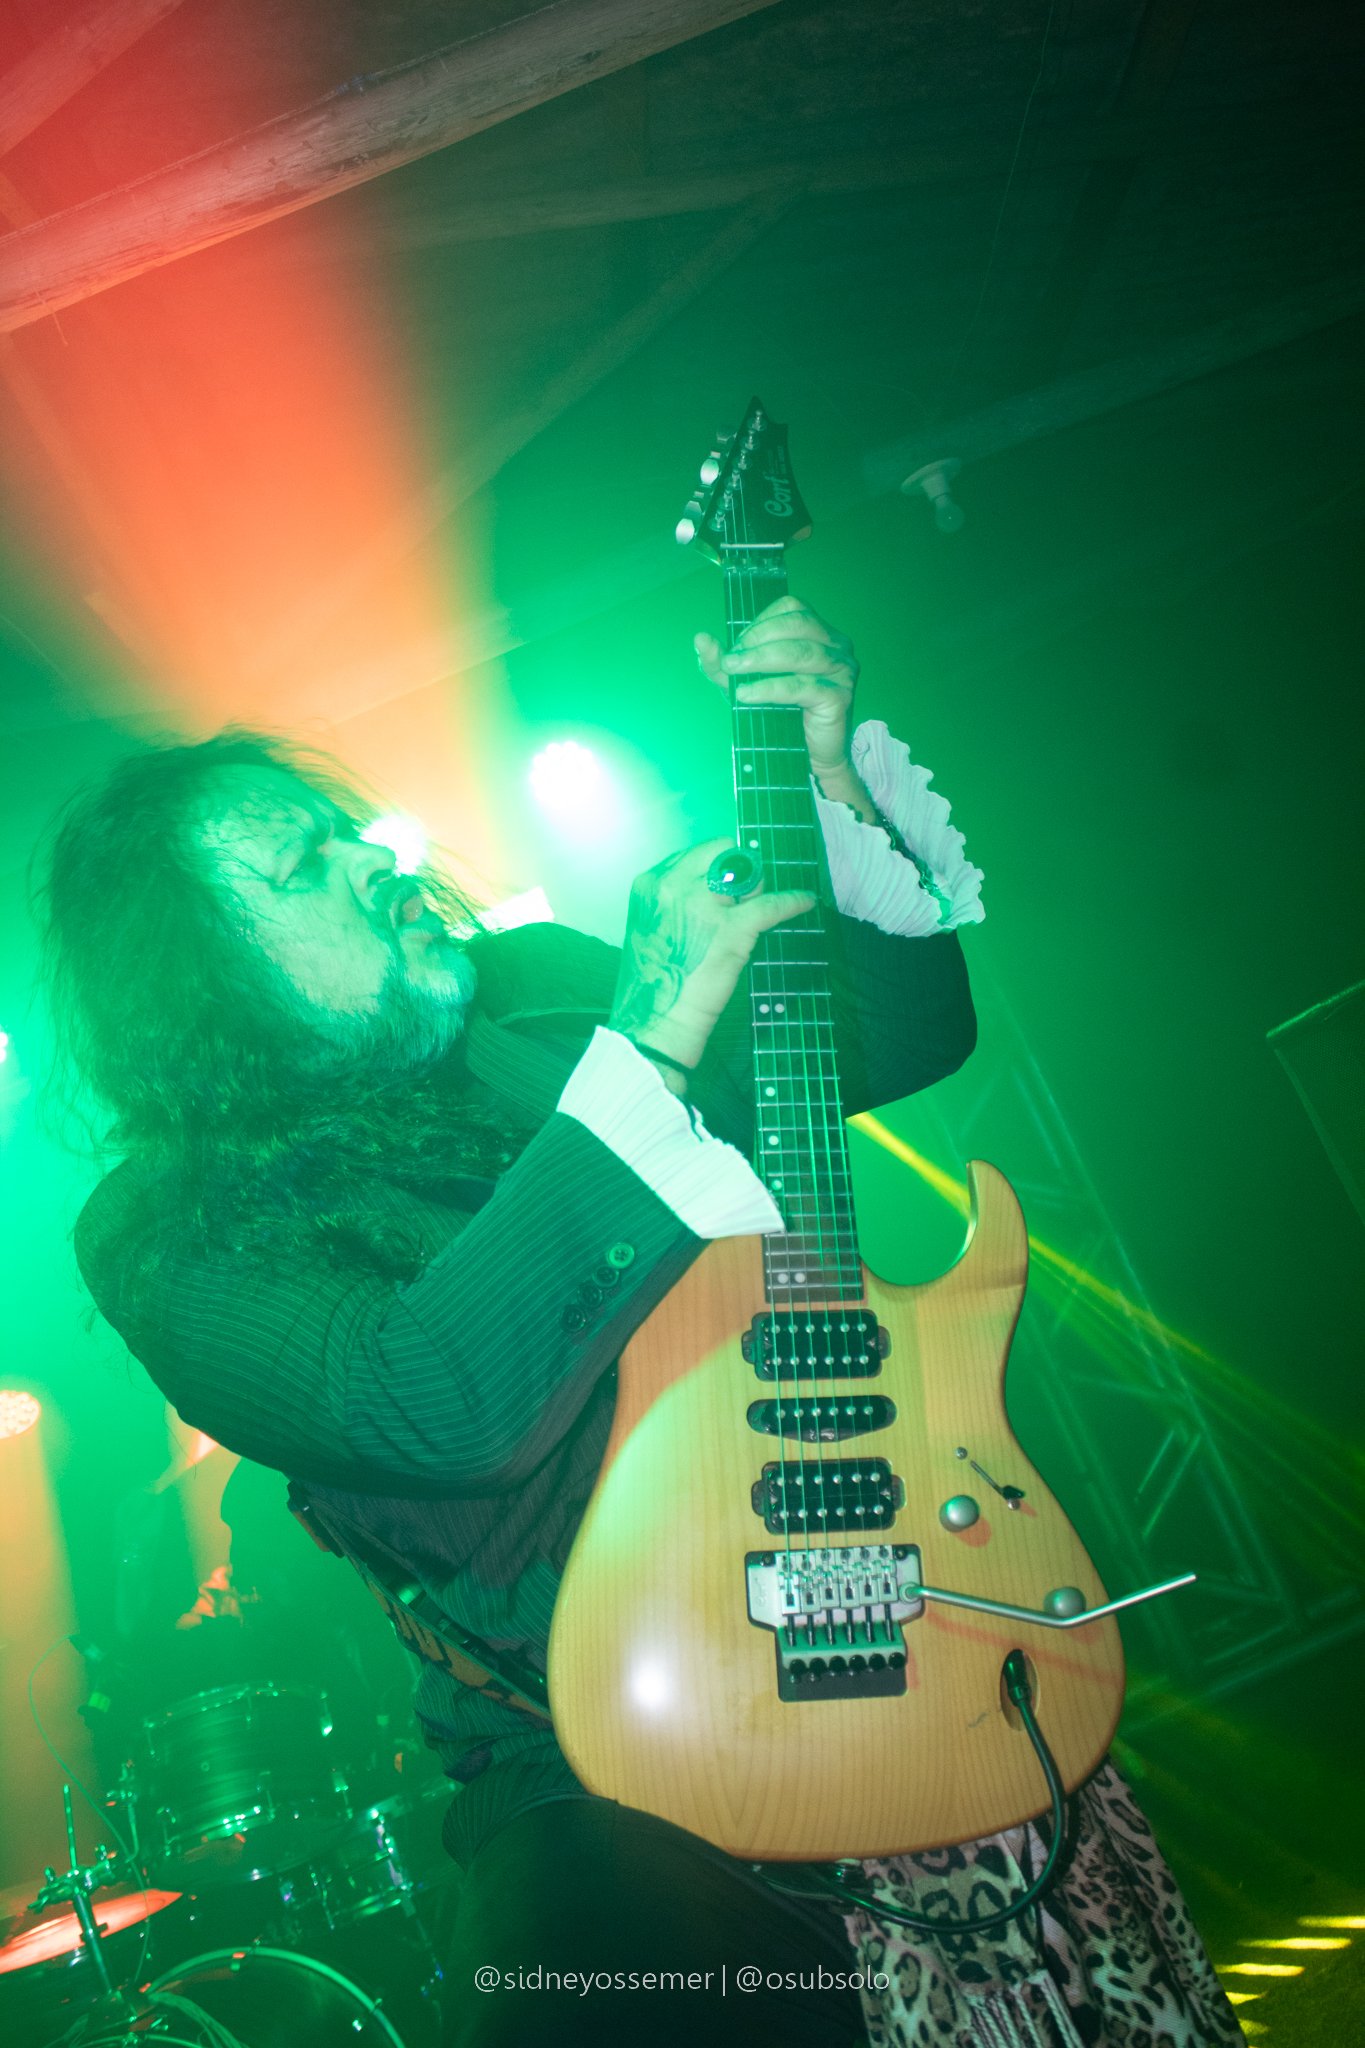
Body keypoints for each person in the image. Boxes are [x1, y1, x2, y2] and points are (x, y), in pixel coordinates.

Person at [42, 598, 1239, 2047]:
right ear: (200, 977)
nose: (379, 856)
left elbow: (906, 1033)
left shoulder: (540, 992)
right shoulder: (170, 1227)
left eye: (354, 830)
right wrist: (655, 1039)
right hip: (601, 1756)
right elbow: (433, 1407)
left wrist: (826, 785)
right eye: (306, 861)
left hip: (904, 1610)